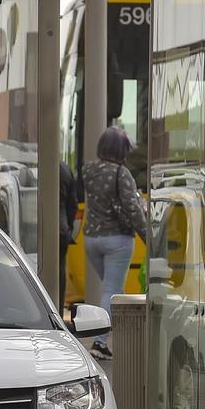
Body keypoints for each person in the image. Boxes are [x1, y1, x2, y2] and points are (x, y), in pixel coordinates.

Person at [82, 127, 147, 360]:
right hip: (117, 240)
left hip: (91, 239)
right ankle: (99, 342)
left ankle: (115, 334)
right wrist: (148, 236)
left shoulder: (88, 170)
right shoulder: (122, 173)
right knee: (111, 291)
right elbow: (131, 208)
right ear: (122, 150)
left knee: (111, 290)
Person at [59, 161, 79, 304]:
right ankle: (57, 312)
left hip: (36, 231)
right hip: (61, 230)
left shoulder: (35, 167)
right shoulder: (65, 168)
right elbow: (73, 205)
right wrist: (68, 228)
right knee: (59, 273)